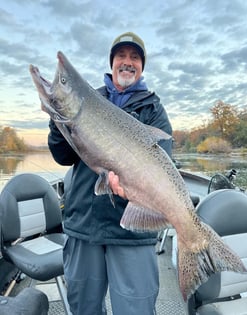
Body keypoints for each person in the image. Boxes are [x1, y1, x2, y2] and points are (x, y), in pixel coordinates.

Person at [48, 32, 173, 315]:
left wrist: (134, 186)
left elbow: (165, 165)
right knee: (83, 307)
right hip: (83, 224)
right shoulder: (87, 99)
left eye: (134, 57)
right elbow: (62, 156)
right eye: (121, 56)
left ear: (142, 66)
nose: (127, 62)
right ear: (112, 62)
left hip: (132, 231)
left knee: (136, 310)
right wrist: (58, 119)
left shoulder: (153, 109)